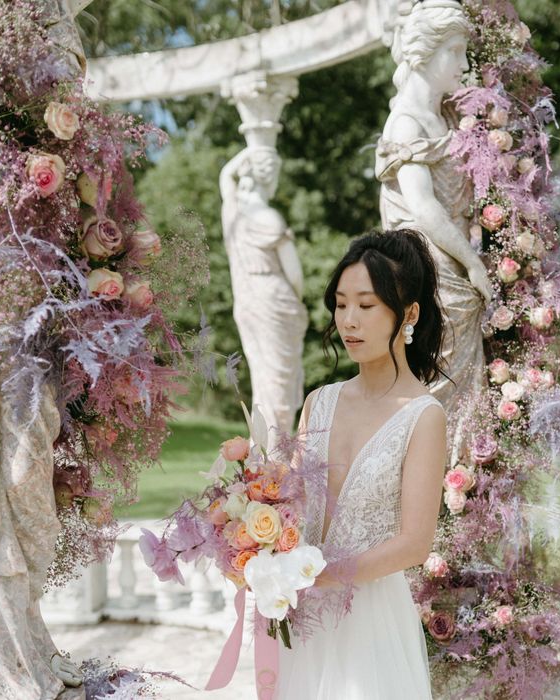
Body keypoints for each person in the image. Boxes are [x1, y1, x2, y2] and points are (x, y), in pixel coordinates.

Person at [276, 229, 447, 699]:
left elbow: (415, 543)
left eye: (367, 306)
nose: (349, 320)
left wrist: (321, 574)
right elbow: (286, 504)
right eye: (341, 303)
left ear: (408, 314)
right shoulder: (319, 402)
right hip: (302, 617)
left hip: (370, 622)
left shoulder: (423, 416)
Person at [376, 0, 492, 452]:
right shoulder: (405, 122)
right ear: (425, 52)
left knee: (464, 395)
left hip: (455, 267)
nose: (463, 65)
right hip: (432, 271)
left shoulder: (445, 118)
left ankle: (461, 496)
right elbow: (424, 207)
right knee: (434, 387)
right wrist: (473, 263)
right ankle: (433, 495)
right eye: (456, 51)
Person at [220, 146, 308, 446]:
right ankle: (276, 454)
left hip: (247, 299)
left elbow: (225, 178)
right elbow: (294, 273)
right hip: (275, 298)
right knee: (278, 384)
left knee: (264, 380)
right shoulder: (268, 217)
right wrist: (298, 302)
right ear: (269, 178)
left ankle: (264, 452)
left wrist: (246, 155)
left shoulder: (233, 214)